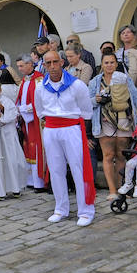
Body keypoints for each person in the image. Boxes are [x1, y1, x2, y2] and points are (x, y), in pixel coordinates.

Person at [35, 49, 95, 226]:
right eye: (48, 63)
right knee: (55, 169)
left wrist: (70, 121)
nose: (52, 66)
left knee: (78, 168)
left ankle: (86, 211)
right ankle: (61, 208)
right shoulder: (40, 87)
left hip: (71, 128)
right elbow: (40, 111)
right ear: (44, 65)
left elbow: (86, 111)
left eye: (55, 62)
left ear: (62, 63)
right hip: (51, 129)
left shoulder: (76, 85)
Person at [89, 52, 137, 200]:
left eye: (112, 62)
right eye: (106, 62)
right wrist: (96, 100)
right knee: (108, 155)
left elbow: (136, 96)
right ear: (102, 64)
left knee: (121, 155)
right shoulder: (95, 81)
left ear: (116, 63)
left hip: (123, 120)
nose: (109, 65)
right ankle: (112, 190)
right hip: (104, 120)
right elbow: (86, 103)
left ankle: (123, 188)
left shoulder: (124, 79)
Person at [14, 54, 48, 191]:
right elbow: (20, 98)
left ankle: (39, 181)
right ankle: (30, 181)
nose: (20, 69)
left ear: (30, 64)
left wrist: (25, 109)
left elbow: (41, 101)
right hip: (25, 121)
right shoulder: (24, 81)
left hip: (36, 121)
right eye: (18, 67)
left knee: (36, 148)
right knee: (28, 147)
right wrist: (17, 110)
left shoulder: (39, 79)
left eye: (22, 66)